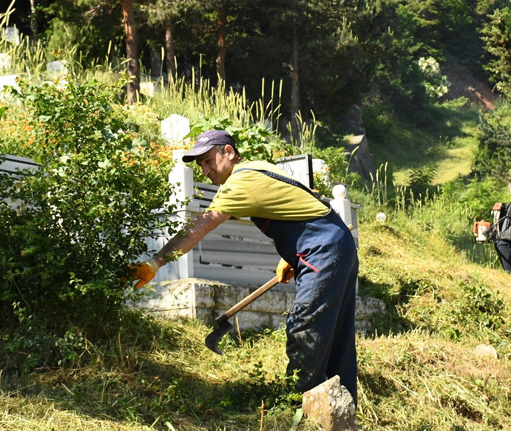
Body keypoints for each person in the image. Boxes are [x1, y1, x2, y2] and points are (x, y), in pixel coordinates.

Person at [129, 130, 359, 403]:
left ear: (228, 152)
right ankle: (341, 411)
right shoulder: (258, 167)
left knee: (305, 326)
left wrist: (155, 262)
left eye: (208, 160)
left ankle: (299, 406)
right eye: (200, 164)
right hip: (335, 240)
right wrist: (293, 254)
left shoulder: (239, 183)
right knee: (336, 335)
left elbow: (197, 228)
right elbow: (304, 199)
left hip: (322, 247)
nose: (205, 170)